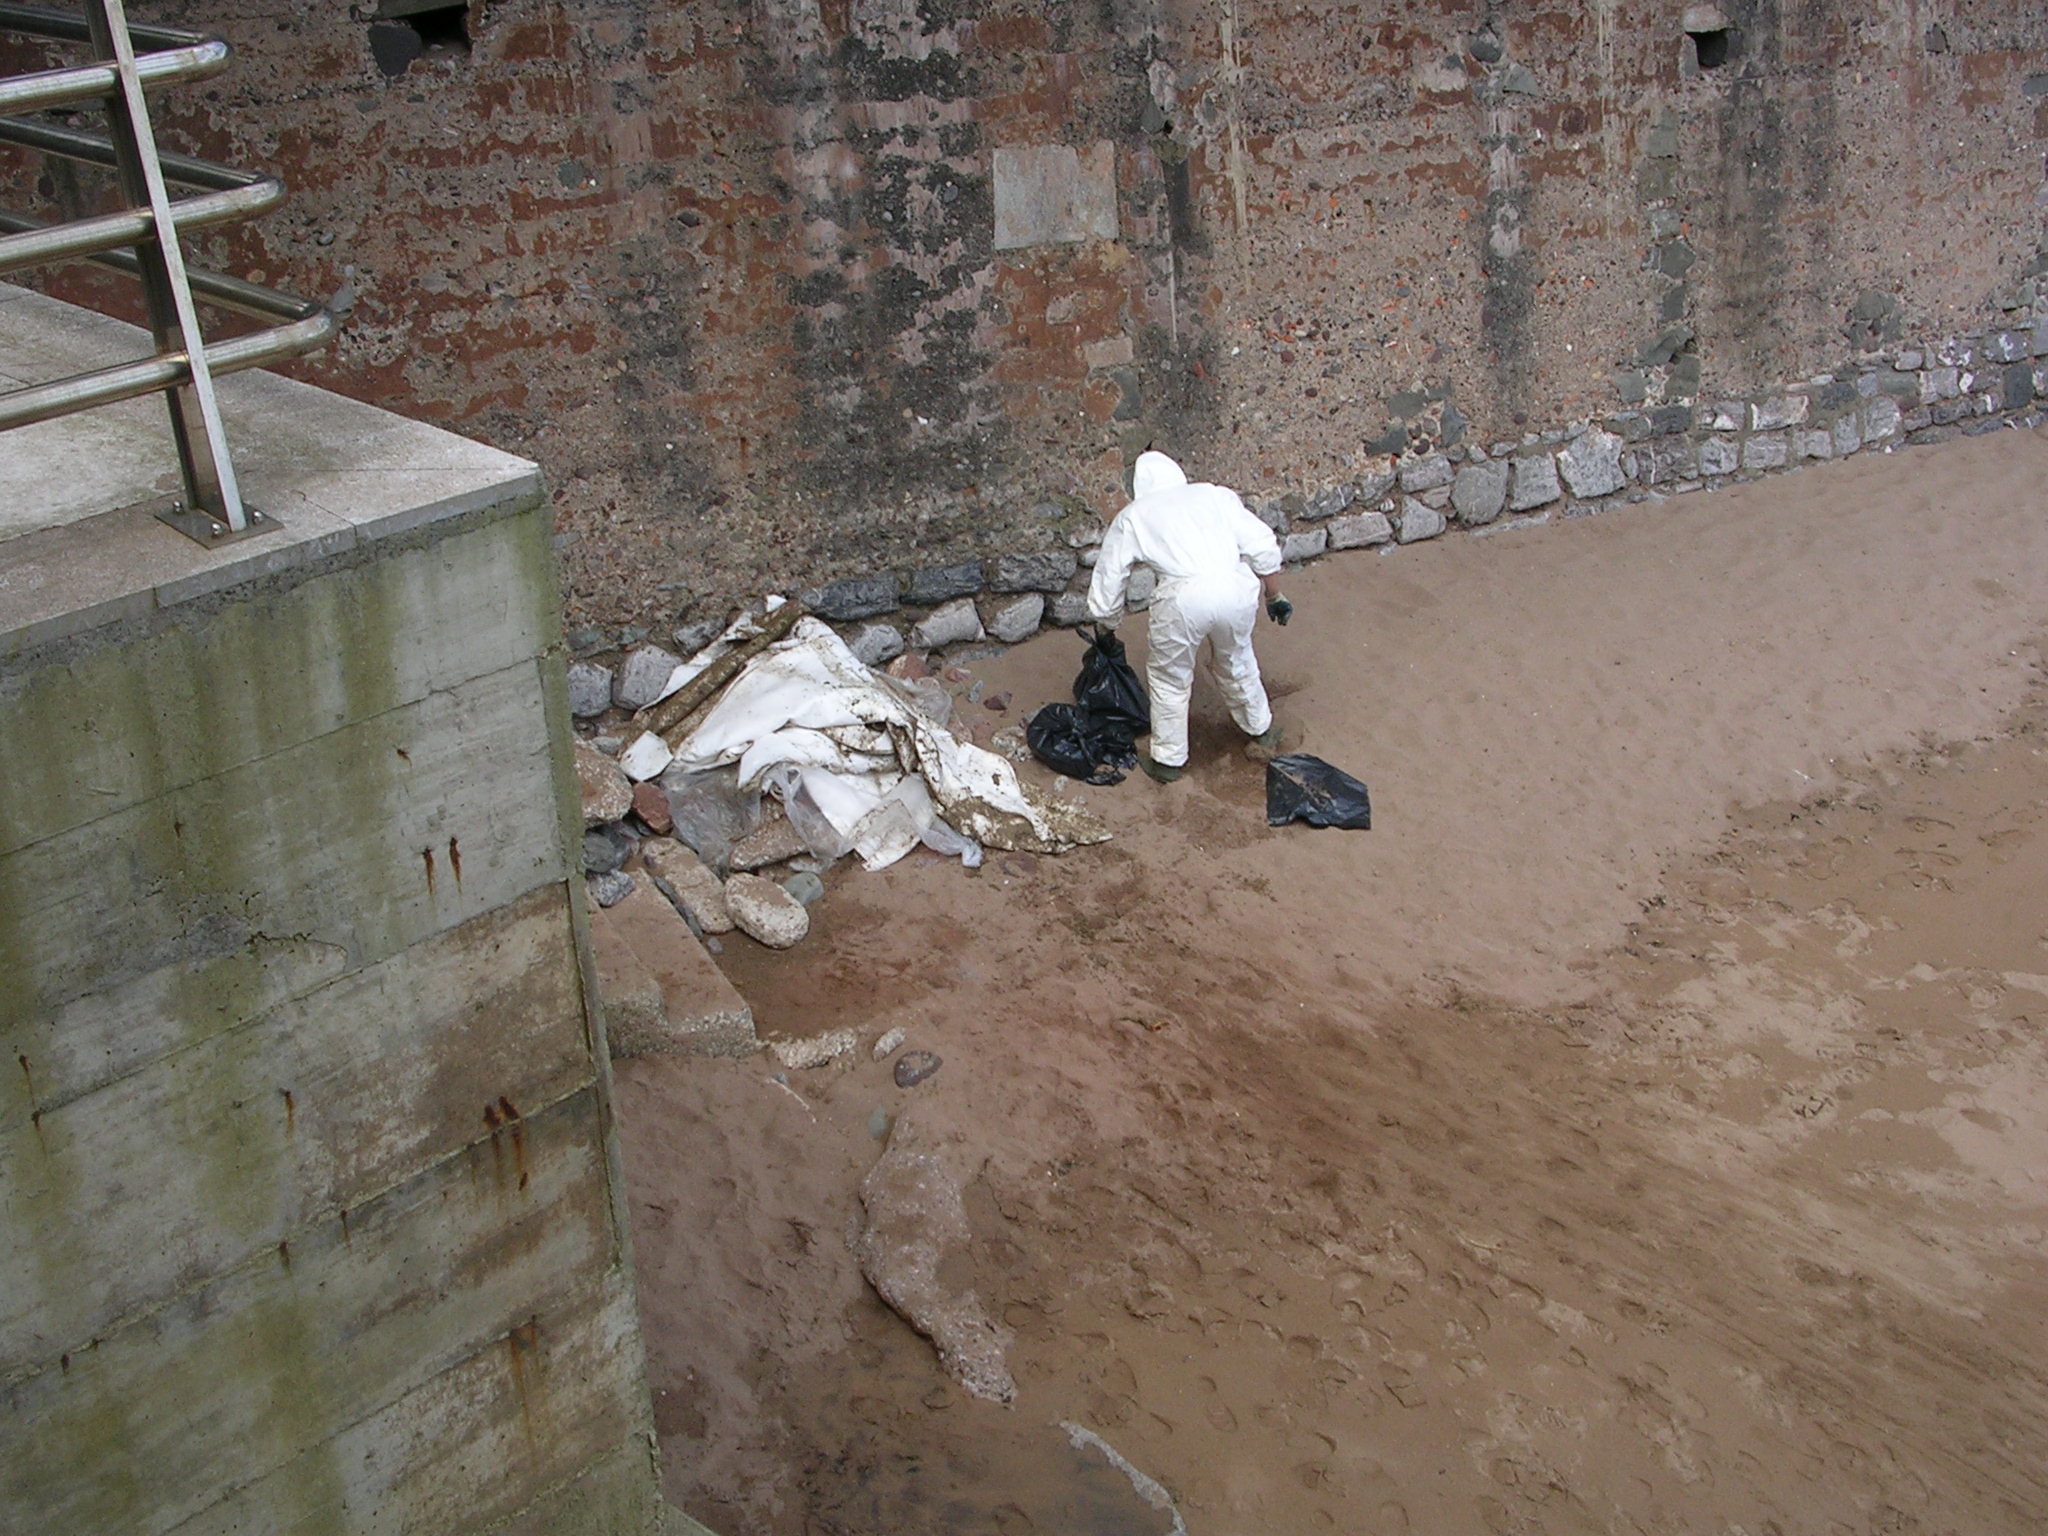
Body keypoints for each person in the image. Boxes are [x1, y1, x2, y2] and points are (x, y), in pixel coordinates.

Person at [1087, 450, 1293, 782]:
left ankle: (1168, 761)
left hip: (1183, 598)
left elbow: (1111, 576)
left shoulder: (1135, 515)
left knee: (1170, 677)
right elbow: (1262, 543)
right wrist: (1275, 595)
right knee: (1236, 657)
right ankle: (1261, 729)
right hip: (1236, 588)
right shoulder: (1214, 495)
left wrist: (1106, 626)